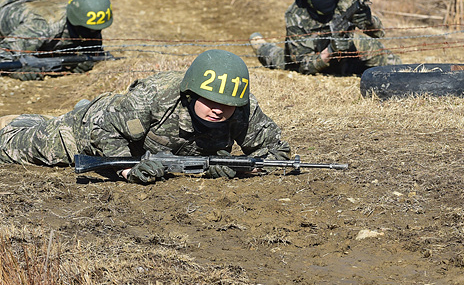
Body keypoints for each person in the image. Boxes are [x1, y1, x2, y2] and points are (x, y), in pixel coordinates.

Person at [0, 49, 292, 184]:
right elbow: (105, 131)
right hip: (91, 129)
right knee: (12, 147)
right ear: (189, 94)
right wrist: (127, 170)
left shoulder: (241, 105)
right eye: (211, 101)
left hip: (133, 132)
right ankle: (26, 122)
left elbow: (278, 153)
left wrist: (242, 167)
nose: (219, 109)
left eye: (226, 104)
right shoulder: (155, 96)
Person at [249, 0, 400, 75]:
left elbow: (379, 33)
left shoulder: (345, 4)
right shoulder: (296, 16)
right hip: (307, 55)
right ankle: (260, 44)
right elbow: (303, 65)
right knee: (278, 58)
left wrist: (367, 19)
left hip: (345, 55)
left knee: (374, 50)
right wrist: (330, 51)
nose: (327, 0)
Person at [0, 0, 113, 79]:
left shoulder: (86, 19)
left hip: (31, 4)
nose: (94, 33)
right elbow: (4, 52)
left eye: (96, 30)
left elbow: (94, 52)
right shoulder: (43, 26)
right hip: (8, 9)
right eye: (89, 29)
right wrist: (16, 70)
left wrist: (82, 62)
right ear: (76, 22)